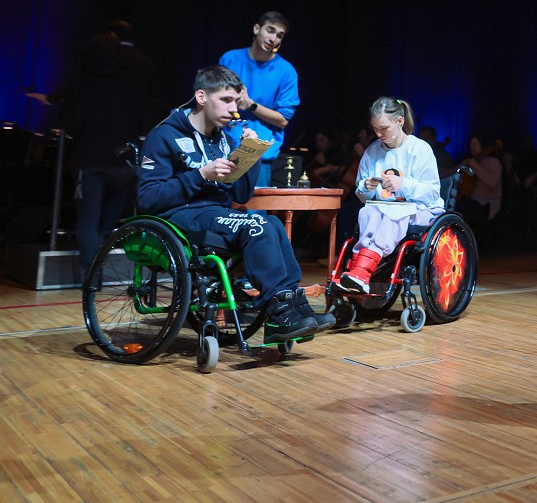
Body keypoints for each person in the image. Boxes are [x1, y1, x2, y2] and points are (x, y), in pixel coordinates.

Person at [138, 65, 334, 343]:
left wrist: (249, 155)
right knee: (257, 226)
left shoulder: (224, 140)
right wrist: (200, 175)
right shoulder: (164, 136)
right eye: (226, 100)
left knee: (273, 223)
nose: (234, 109)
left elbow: (241, 194)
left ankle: (294, 306)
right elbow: (148, 198)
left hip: (216, 213)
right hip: (180, 216)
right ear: (202, 97)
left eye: (236, 101)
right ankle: (279, 314)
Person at [51, 20, 161, 268]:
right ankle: (104, 263)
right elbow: (147, 113)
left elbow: (70, 122)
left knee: (87, 220)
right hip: (122, 159)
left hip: (89, 158)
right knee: (108, 222)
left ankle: (91, 276)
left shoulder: (82, 79)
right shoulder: (133, 76)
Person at [335, 98, 443, 292]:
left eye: (384, 128)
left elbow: (432, 192)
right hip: (385, 208)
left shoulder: (419, 149)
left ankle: (362, 271)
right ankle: (359, 268)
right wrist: (366, 187)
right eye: (375, 129)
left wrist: (403, 185)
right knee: (367, 212)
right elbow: (363, 195)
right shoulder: (372, 151)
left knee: (393, 215)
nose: (379, 134)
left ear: (400, 121)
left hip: (422, 210)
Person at [219, 11, 299, 187]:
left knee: (254, 204)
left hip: (258, 156)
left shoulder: (286, 71)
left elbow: (283, 120)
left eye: (279, 35)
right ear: (256, 29)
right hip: (222, 148)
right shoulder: (230, 59)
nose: (273, 39)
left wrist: (251, 104)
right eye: (270, 30)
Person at [456, 134, 502, 244]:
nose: (471, 146)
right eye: (471, 144)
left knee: (464, 208)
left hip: (487, 205)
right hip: (474, 202)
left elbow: (492, 183)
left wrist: (476, 167)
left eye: (475, 144)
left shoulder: (493, 162)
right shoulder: (474, 161)